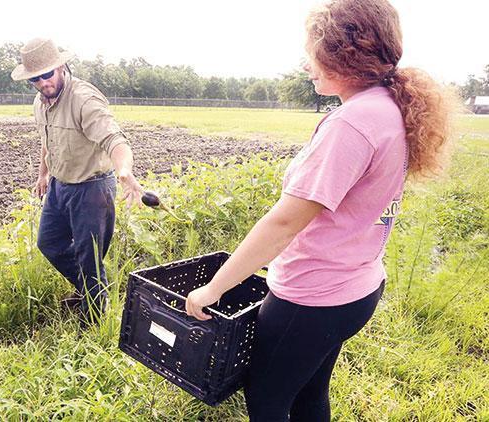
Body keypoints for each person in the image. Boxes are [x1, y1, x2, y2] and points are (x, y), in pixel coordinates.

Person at [185, 0, 455, 420]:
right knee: (310, 392)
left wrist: (213, 288)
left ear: (340, 54)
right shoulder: (387, 107)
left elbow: (285, 221)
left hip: (313, 298)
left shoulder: (352, 124)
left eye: (312, 50)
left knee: (268, 400)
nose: (306, 62)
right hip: (357, 287)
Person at [11, 38, 144, 327]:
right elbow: (48, 141)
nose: (43, 82)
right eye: (35, 78)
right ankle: (92, 289)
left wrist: (125, 170)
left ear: (60, 67)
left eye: (47, 74)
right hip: (60, 186)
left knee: (90, 257)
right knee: (49, 243)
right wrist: (43, 174)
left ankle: (94, 321)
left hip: (92, 189)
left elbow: (114, 138)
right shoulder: (40, 102)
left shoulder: (84, 99)